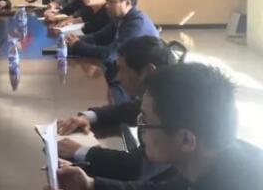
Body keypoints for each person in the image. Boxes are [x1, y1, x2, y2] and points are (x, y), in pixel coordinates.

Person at [40, 63, 263, 190]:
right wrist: (90, 186)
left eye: (146, 121)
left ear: (186, 140)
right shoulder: (216, 157)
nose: (140, 127)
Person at [57, 36, 179, 180]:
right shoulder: (164, 91)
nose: (118, 77)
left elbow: (137, 167)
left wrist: (80, 151)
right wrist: (87, 117)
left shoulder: (173, 109)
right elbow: (129, 110)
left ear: (148, 71)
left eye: (122, 70)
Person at [66, 0, 158, 62]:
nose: (106, 5)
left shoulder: (136, 24)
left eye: (111, 1)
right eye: (107, 1)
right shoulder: (120, 18)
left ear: (127, 3)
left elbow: (110, 54)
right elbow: (97, 37)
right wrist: (72, 39)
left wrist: (78, 45)